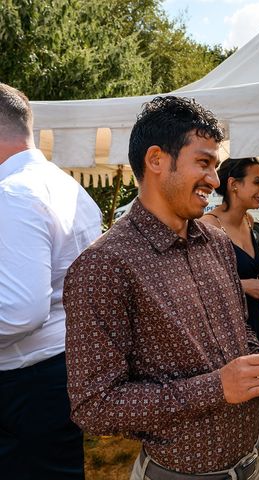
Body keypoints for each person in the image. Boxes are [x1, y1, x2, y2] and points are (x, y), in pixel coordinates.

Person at [63, 96, 259, 480]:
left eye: (215, 166)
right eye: (203, 163)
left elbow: (238, 329)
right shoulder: (104, 266)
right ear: (157, 160)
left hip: (258, 461)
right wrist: (217, 388)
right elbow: (94, 406)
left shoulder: (216, 243)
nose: (215, 182)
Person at [0, 83, 102, 479]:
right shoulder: (65, 185)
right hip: (60, 368)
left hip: (25, 383)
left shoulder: (12, 194)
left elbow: (19, 312)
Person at [200, 157, 259, 447]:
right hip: (226, 332)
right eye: (257, 181)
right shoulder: (207, 226)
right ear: (233, 185)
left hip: (255, 323)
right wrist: (242, 286)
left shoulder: (249, 222)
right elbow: (198, 288)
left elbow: (250, 269)